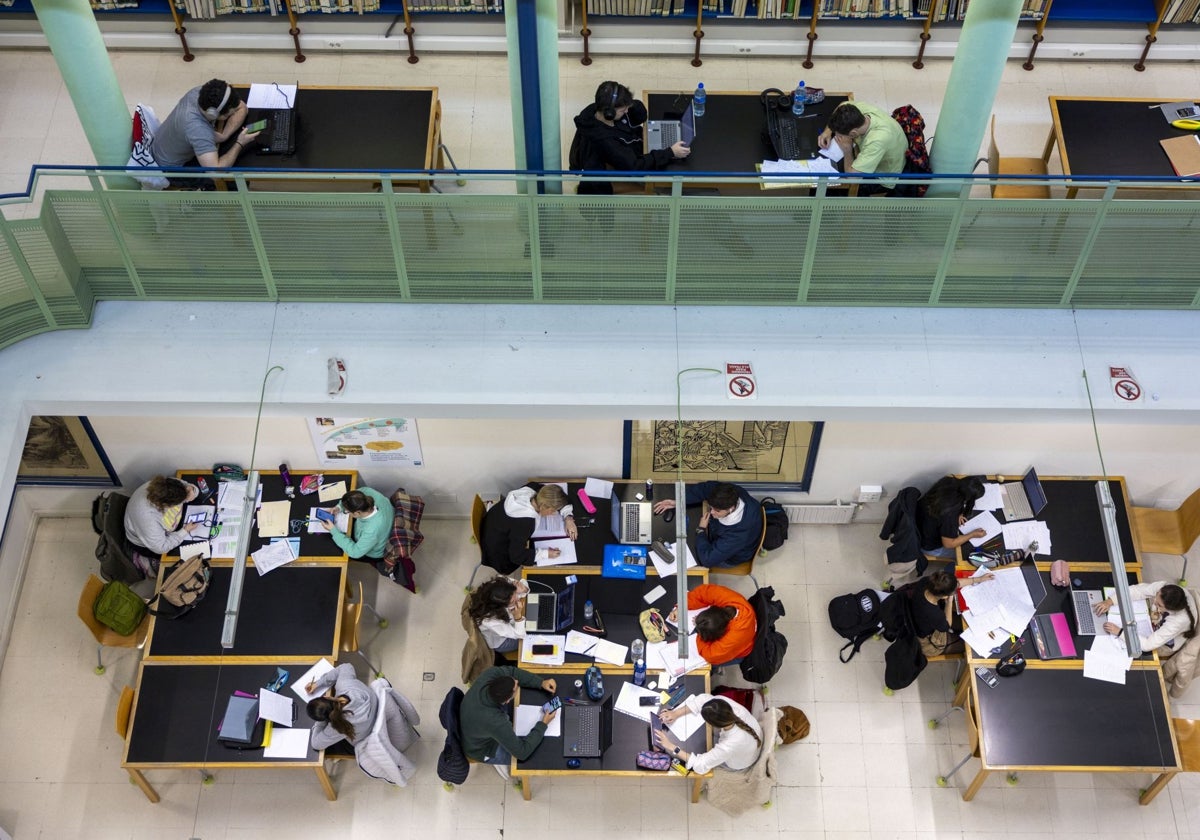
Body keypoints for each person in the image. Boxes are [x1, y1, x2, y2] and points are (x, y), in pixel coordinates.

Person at [569, 80, 691, 195]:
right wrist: (670, 152)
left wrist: (627, 102)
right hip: (630, 165)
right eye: (623, 110)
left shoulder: (595, 109)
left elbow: (641, 116)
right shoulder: (606, 142)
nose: (627, 111)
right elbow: (635, 166)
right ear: (609, 114)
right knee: (670, 180)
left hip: (634, 148)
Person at [150, 79, 260, 186]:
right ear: (213, 114)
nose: (230, 115)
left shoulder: (199, 93)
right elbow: (215, 173)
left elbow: (242, 107)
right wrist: (239, 143)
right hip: (169, 169)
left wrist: (224, 136)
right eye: (227, 115)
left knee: (225, 150)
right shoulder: (198, 130)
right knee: (234, 180)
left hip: (166, 145)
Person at [460, 666, 557, 775]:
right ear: (507, 701)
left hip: (474, 723)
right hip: (481, 748)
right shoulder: (495, 721)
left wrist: (541, 682)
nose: (516, 681)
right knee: (533, 758)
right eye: (515, 687)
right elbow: (522, 752)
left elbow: (513, 672)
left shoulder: (489, 674)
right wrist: (543, 724)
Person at [653, 481, 763, 568]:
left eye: (717, 511)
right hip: (721, 536)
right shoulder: (730, 492)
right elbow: (705, 489)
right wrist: (678, 501)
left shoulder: (739, 534)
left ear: (731, 508)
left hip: (730, 557)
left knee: (691, 555)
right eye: (711, 507)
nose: (711, 512)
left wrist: (700, 531)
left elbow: (708, 560)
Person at [653, 692, 762, 775]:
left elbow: (701, 765)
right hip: (753, 737)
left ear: (714, 725)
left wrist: (671, 746)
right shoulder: (722, 703)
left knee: (699, 749)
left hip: (740, 761)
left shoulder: (729, 744)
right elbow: (702, 700)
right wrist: (675, 713)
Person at [480, 483, 577, 575]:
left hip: (491, 523)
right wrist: (545, 554)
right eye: (553, 511)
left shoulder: (533, 488)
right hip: (497, 553)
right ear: (544, 507)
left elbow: (560, 499)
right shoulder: (525, 523)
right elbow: (517, 556)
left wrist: (568, 518)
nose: (553, 513)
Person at [817, 102, 908, 196]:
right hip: (876, 154)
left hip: (883, 177)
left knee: (834, 188)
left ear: (853, 134)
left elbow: (853, 179)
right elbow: (841, 106)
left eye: (840, 136)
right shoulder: (860, 112)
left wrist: (847, 150)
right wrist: (827, 131)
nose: (837, 137)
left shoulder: (876, 141)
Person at [1096, 581, 1198, 655]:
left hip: (1167, 643)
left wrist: (1120, 632)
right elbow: (1138, 591)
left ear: (1169, 609)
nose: (1153, 602)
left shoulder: (1178, 621)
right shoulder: (1166, 589)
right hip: (1155, 621)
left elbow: (1147, 645)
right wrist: (1110, 601)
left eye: (1158, 604)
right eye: (1156, 597)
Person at [671, 583, 757, 665]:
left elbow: (711, 656)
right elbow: (703, 593)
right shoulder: (726, 597)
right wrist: (682, 606)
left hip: (741, 649)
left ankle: (713, 670)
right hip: (743, 632)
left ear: (720, 634)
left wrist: (700, 636)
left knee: (703, 662)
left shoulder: (734, 637)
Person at [123, 475, 203, 555]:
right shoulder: (147, 519)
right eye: (179, 502)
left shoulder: (166, 484)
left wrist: (192, 489)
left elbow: (187, 486)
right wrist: (184, 531)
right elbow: (162, 548)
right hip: (149, 544)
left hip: (168, 526)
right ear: (166, 506)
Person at [306, 663, 378, 751]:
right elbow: (346, 666)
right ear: (326, 697)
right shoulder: (345, 684)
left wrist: (320, 721)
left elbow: (316, 744)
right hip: (377, 711)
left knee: (328, 748)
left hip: (368, 737)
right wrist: (317, 683)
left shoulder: (339, 727)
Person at [916, 476, 986, 559]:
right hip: (928, 545)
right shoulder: (949, 513)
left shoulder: (948, 481)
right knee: (966, 554)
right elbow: (949, 544)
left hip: (919, 524)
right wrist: (972, 534)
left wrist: (959, 512)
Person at [321, 488, 395, 563]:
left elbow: (355, 552)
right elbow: (361, 491)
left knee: (336, 547)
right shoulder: (367, 492)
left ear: (357, 513)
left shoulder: (372, 530)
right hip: (383, 531)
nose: (345, 512)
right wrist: (339, 507)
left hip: (374, 552)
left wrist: (334, 531)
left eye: (347, 511)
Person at [468, 575, 529, 653]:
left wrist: (524, 589)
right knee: (532, 634)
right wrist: (518, 617)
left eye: (515, 594)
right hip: (503, 641)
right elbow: (520, 635)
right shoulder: (489, 621)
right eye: (513, 601)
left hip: (511, 624)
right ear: (501, 606)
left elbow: (522, 586)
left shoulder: (501, 584)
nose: (517, 598)